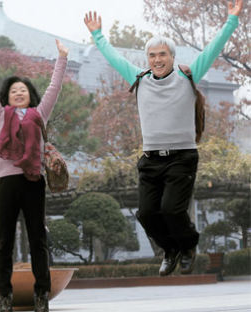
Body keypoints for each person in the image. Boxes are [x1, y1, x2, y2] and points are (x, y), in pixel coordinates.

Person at [83, 0, 242, 276]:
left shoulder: (187, 76)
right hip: (151, 159)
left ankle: (189, 245)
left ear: (172, 56)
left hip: (182, 157)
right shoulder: (140, 79)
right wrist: (98, 35)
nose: (157, 60)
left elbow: (213, 48)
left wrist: (230, 21)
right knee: (145, 214)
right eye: (152, 55)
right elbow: (114, 58)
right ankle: (170, 250)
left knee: (171, 210)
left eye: (162, 54)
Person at [0, 37, 69, 312]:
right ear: (8, 96)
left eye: (23, 90)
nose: (18, 93)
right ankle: (4, 295)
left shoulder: (40, 115)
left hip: (33, 181)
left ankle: (42, 295)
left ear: (30, 96)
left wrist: (61, 58)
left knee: (38, 238)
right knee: (4, 241)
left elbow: (54, 87)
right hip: (5, 183)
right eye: (14, 90)